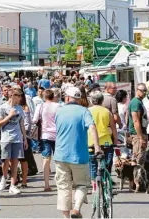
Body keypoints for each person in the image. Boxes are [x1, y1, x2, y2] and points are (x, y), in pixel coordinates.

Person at [54, 87, 101, 218]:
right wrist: (97, 147)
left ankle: (66, 217)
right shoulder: (84, 111)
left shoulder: (59, 111)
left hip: (61, 154)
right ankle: (76, 209)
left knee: (64, 187)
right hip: (79, 155)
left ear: (68, 97)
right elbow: (92, 127)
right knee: (81, 184)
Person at [0, 88, 28, 194]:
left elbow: (22, 124)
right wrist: (10, 115)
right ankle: (4, 177)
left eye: (20, 96)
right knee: (5, 161)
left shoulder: (20, 108)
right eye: (18, 96)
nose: (20, 98)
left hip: (17, 138)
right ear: (12, 96)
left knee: (15, 162)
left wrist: (25, 139)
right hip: (5, 138)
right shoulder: (3, 107)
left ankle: (12, 185)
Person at [87, 90, 119, 193]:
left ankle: (94, 188)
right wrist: (116, 140)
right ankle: (106, 183)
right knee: (107, 164)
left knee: (92, 165)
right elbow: (113, 127)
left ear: (92, 101)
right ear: (102, 100)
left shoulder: (87, 111)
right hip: (106, 142)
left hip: (91, 142)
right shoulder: (106, 111)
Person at [33, 89, 61, 191]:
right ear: (53, 96)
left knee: (46, 159)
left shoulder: (40, 106)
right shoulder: (58, 106)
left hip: (45, 135)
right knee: (58, 160)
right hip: (58, 135)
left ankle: (46, 184)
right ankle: (59, 181)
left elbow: (34, 120)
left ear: (44, 97)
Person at [128, 83, 149, 166]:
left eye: (145, 91)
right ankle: (137, 179)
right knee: (138, 161)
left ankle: (137, 178)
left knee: (137, 159)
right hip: (137, 135)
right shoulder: (136, 103)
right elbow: (136, 120)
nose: (144, 93)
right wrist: (141, 138)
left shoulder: (139, 102)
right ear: (137, 90)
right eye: (142, 90)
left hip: (140, 133)